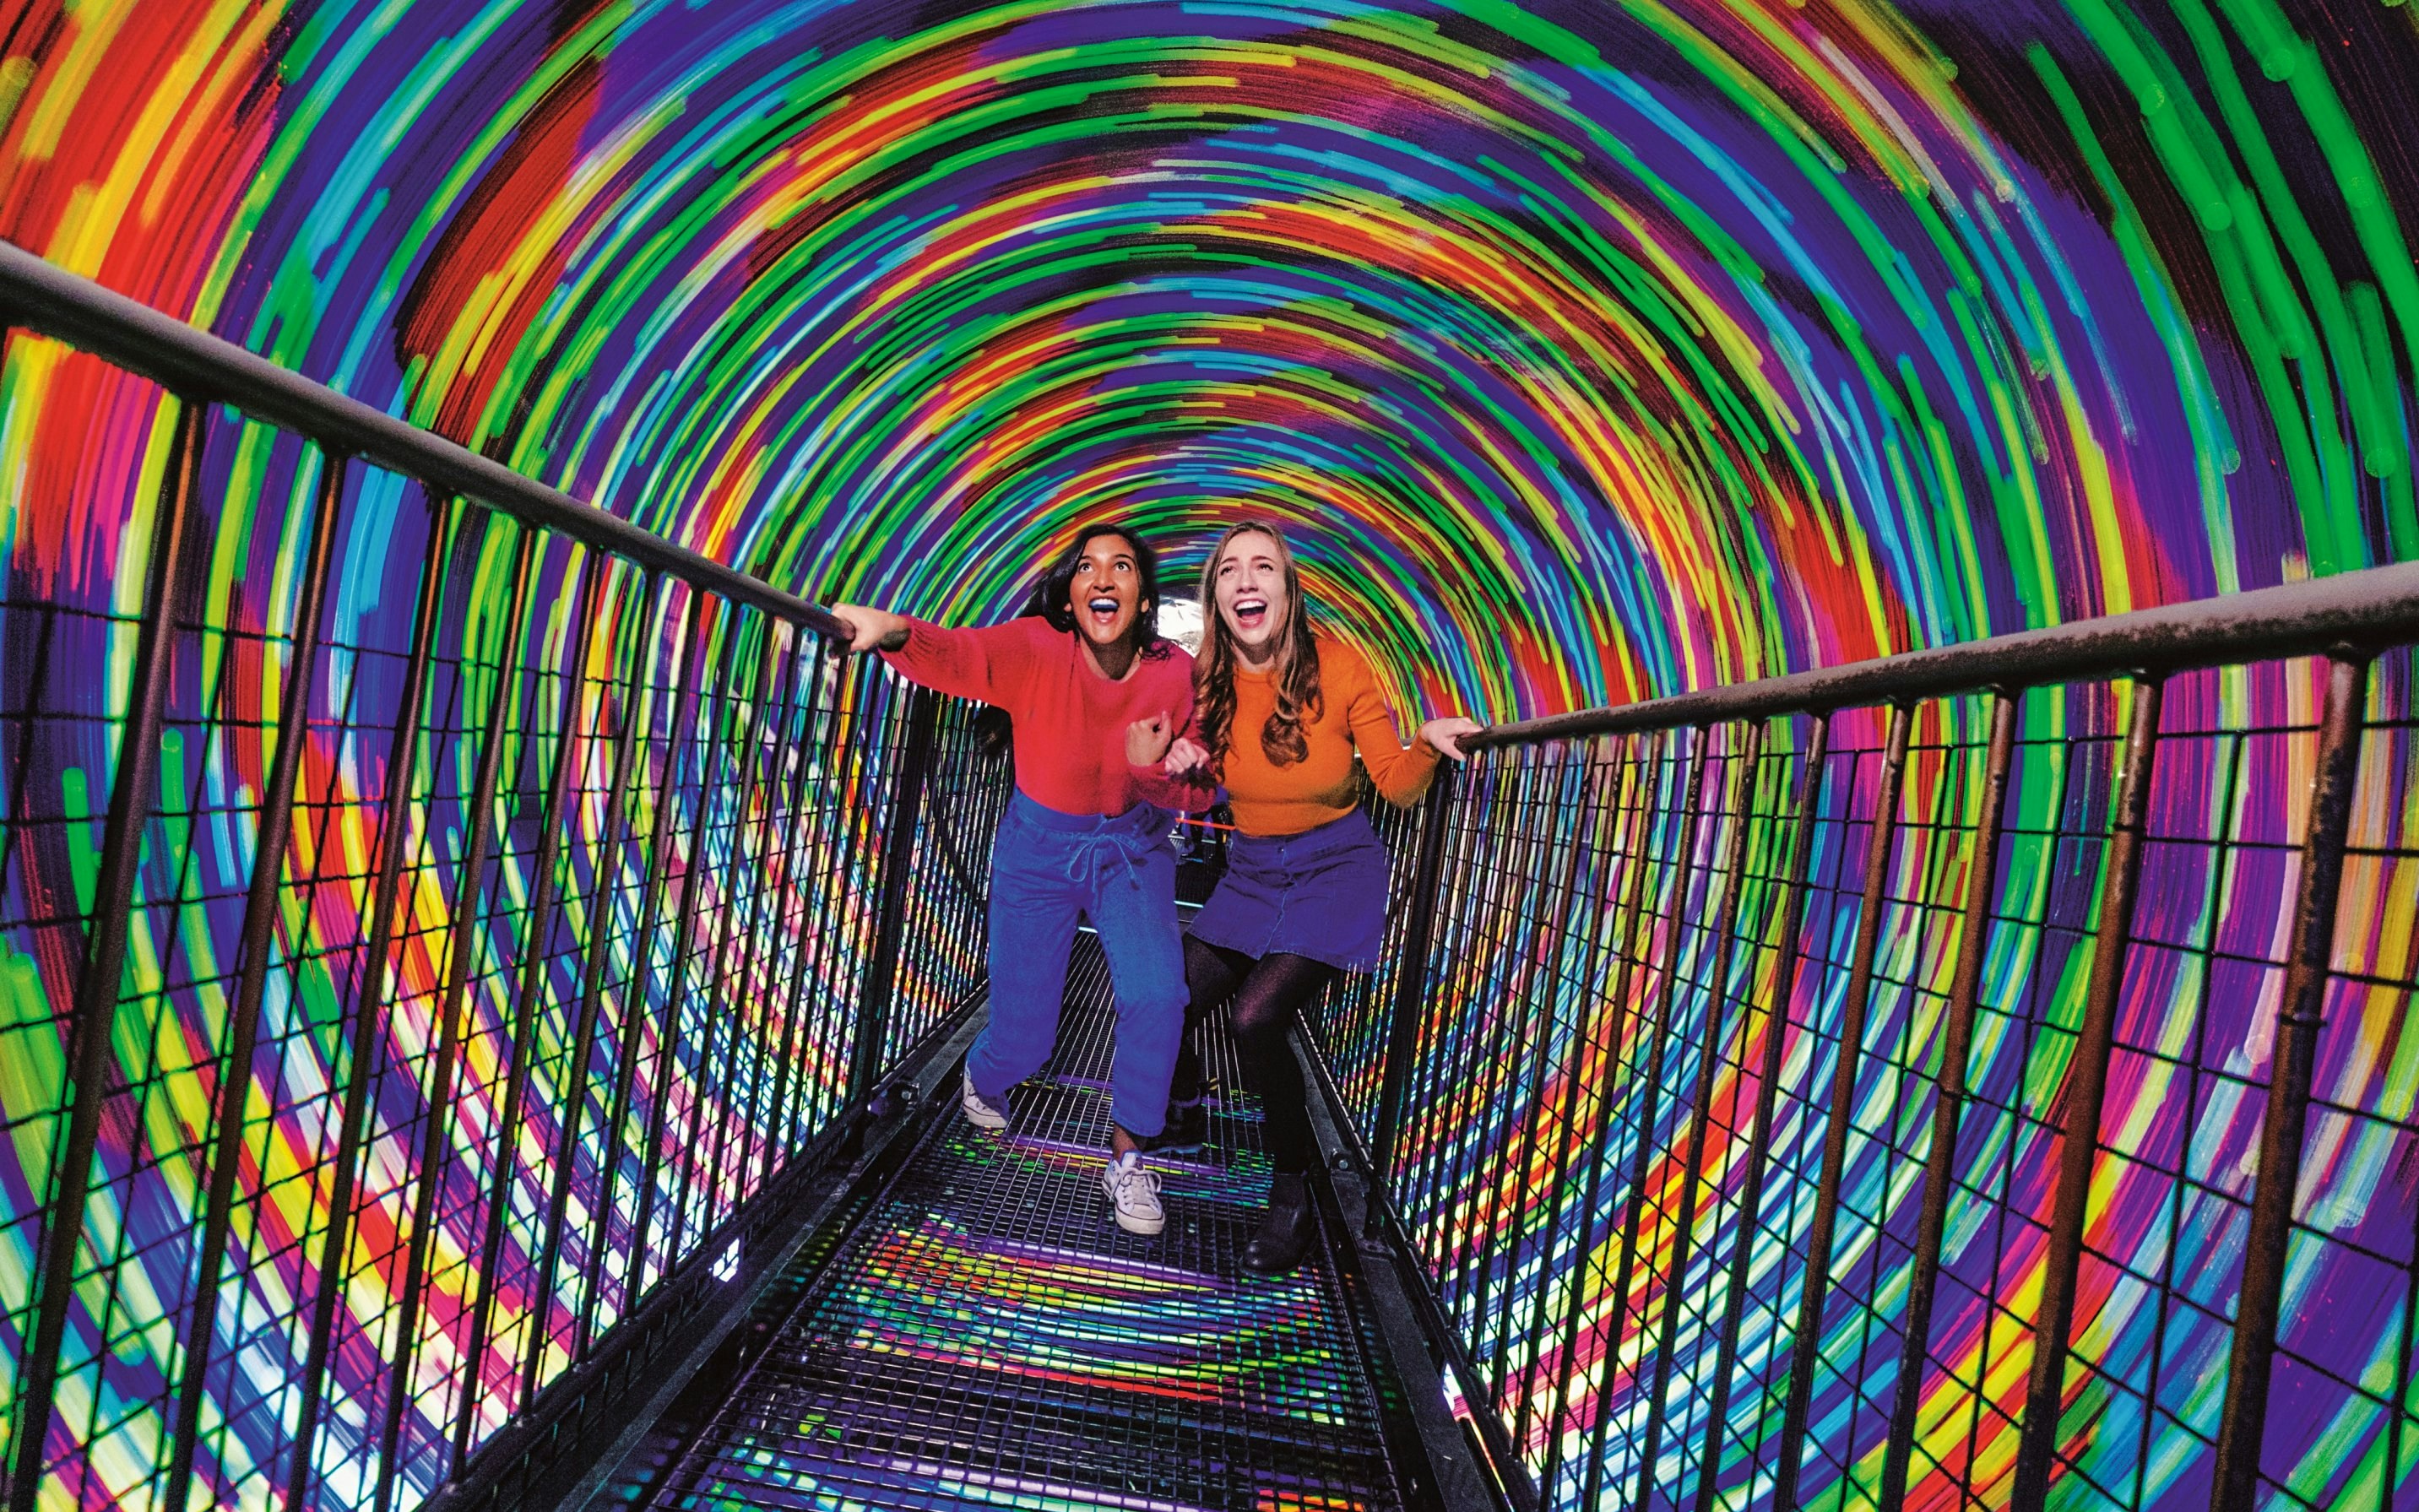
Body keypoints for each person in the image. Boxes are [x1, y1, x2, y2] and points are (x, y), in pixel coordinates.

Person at [828, 524, 1207, 1235]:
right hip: (1037, 852)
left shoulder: (1172, 673)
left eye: (1121, 566)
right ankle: (985, 1071)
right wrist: (890, 631)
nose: (1102, 577)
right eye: (1087, 566)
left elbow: (1200, 795)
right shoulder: (1036, 647)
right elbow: (959, 653)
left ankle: (1128, 1159)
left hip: (1130, 852)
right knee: (1026, 1039)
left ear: (1143, 595)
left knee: (1159, 995)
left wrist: (1160, 768)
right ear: (1070, 593)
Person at [1133, 521, 1478, 1272]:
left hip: (1335, 867)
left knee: (1257, 1014)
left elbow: (1397, 784)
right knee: (1167, 990)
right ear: (1214, 593)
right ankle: (1186, 1107)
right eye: (1230, 570)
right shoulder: (1204, 680)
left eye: (1265, 568)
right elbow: (1217, 783)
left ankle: (1294, 1188)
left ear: (1289, 592)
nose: (1247, 581)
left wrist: (1424, 741)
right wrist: (1185, 763)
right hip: (1253, 870)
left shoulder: (1343, 667)